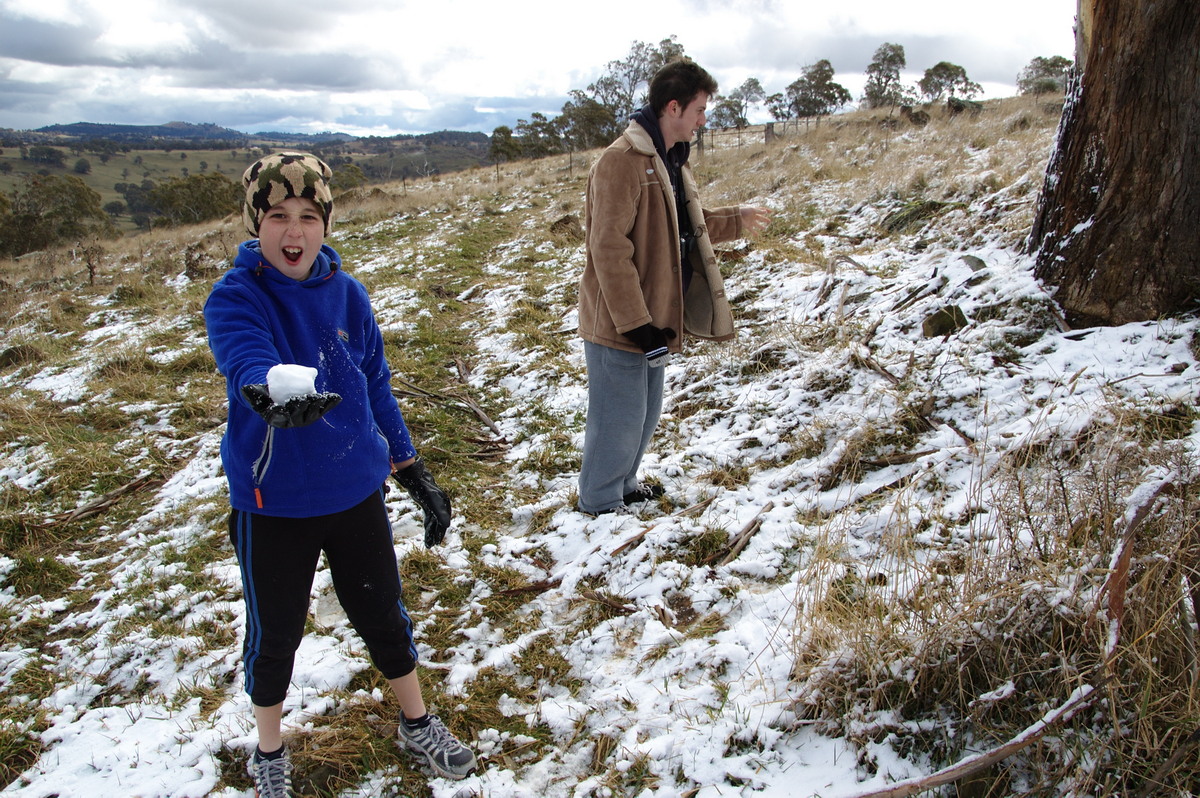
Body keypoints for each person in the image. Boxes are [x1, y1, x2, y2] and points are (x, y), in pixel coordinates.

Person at [203, 152, 477, 796]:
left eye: (307, 215)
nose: (292, 232)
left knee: (383, 611)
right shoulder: (236, 296)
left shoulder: (349, 294)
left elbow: (373, 383)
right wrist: (264, 389)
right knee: (275, 634)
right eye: (276, 216)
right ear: (255, 223)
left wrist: (410, 468)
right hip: (273, 502)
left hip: (355, 488)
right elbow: (244, 353)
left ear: (325, 221)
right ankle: (269, 752)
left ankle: (416, 722)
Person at [576, 58, 772, 516]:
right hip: (623, 322)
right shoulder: (620, 162)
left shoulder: (669, 160)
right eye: (700, 110)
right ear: (673, 107)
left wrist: (735, 221)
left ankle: (622, 485)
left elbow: (681, 226)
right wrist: (636, 324)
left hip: (656, 317)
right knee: (616, 418)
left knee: (643, 416)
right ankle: (598, 502)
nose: (704, 119)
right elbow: (608, 250)